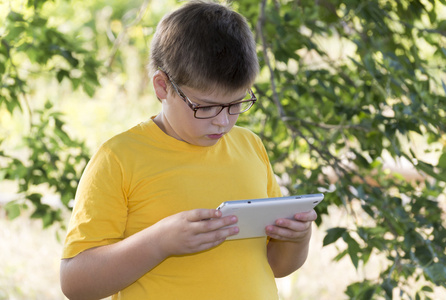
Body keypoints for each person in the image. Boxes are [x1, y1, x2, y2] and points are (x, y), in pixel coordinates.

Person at [60, 1, 317, 299]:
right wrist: (159, 242)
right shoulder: (118, 158)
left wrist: (297, 239)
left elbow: (276, 265)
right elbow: (76, 284)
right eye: (205, 107)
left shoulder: (250, 146)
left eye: (235, 104)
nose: (223, 122)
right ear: (161, 87)